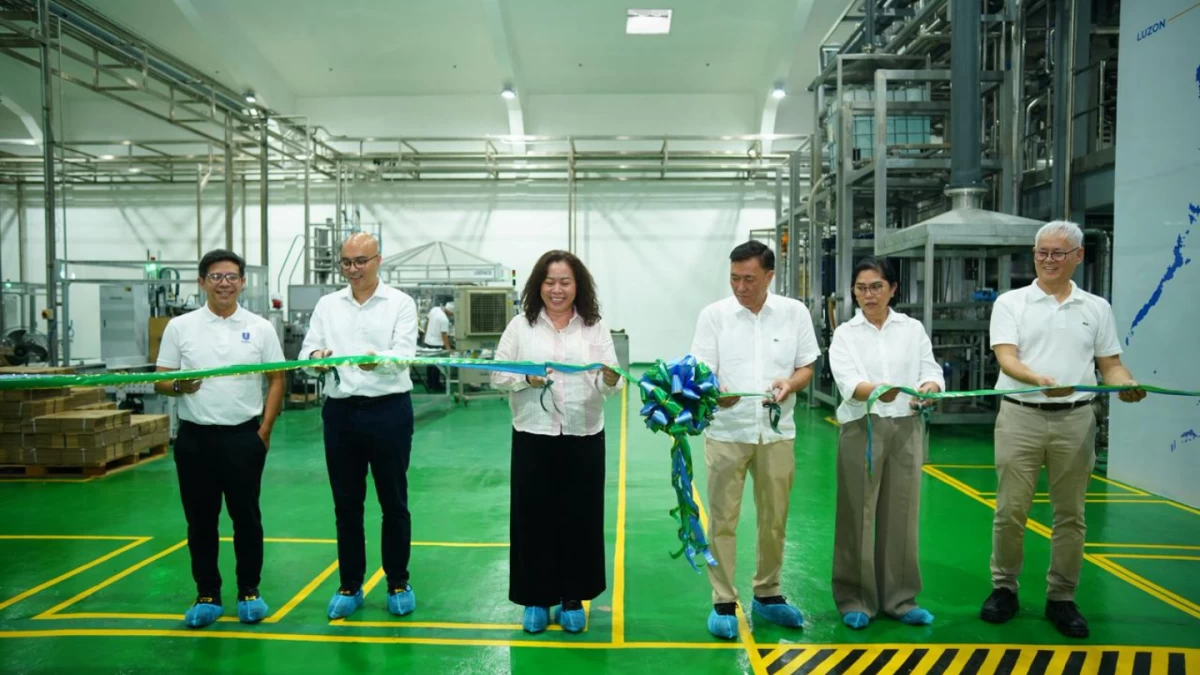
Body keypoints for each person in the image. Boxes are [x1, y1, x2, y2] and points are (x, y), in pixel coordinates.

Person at [983, 220, 1145, 638]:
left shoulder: (1096, 308)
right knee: (1010, 510)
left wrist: (1123, 384)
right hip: (1021, 414)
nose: (1048, 261)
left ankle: (1062, 597)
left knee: (1071, 514)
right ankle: (1004, 588)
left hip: (1076, 419)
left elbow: (1110, 365)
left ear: (1078, 257)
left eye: (1058, 253)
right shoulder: (1011, 302)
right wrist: (1037, 380)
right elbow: (1007, 358)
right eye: (1042, 253)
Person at [689, 240, 821, 639]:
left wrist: (791, 382)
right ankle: (723, 600)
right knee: (723, 519)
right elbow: (700, 370)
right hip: (728, 432)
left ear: (769, 276)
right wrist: (716, 389)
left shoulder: (794, 314)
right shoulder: (714, 316)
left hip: (777, 432)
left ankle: (768, 593)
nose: (741, 287)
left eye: (749, 279)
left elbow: (806, 367)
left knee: (774, 518)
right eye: (734, 278)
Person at [489, 250, 622, 634]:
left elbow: (608, 380)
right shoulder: (521, 326)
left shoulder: (594, 327)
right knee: (533, 519)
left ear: (577, 285)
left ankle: (572, 597)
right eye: (549, 282)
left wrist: (611, 380)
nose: (557, 289)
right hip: (534, 435)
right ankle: (536, 597)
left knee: (580, 518)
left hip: (584, 435)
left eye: (565, 282)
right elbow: (499, 374)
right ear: (538, 286)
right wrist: (525, 379)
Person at [154, 249, 285, 628]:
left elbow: (277, 378)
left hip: (244, 438)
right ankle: (207, 593)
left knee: (247, 518)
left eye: (231, 277)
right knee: (200, 521)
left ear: (243, 282)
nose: (224, 283)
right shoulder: (181, 327)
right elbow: (161, 377)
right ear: (202, 282)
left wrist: (265, 429)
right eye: (216, 277)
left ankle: (249, 591)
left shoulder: (260, 327)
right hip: (195, 440)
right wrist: (179, 386)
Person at [299, 232, 421, 620]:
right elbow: (306, 352)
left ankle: (398, 581)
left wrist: (379, 361)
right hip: (341, 413)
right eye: (346, 262)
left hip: (389, 412)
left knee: (393, 502)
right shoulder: (327, 305)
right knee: (347, 505)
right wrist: (316, 358)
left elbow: (404, 355)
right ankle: (350, 583)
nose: (353, 270)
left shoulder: (400, 303)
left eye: (360, 261)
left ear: (378, 260)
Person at [827, 257, 944, 630]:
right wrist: (881, 390)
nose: (868, 295)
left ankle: (901, 598)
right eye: (861, 288)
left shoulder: (912, 329)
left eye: (876, 286)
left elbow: (931, 369)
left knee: (902, 515)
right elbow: (848, 383)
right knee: (856, 515)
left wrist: (929, 387)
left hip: (907, 427)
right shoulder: (845, 334)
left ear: (893, 288)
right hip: (863, 427)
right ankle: (855, 598)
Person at [421, 298, 454, 392]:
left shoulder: (434, 309)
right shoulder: (444, 319)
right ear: (450, 312)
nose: (452, 316)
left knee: (430, 365)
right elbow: (444, 335)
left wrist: (425, 335)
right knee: (437, 367)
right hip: (437, 345)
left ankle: (430, 383)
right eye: (452, 314)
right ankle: (435, 385)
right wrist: (448, 349)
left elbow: (427, 322)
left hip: (428, 342)